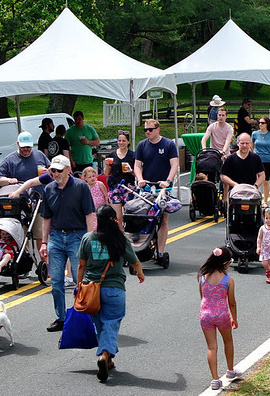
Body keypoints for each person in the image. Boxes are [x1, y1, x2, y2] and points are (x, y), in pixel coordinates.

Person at [77, 204, 145, 382]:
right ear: (114, 220)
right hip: (114, 288)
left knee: (100, 323)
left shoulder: (88, 238)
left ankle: (108, 358)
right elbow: (134, 261)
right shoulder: (120, 239)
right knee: (112, 323)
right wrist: (140, 274)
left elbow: (81, 265)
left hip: (91, 288)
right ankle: (105, 355)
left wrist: (79, 285)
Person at [39, 155, 96, 333]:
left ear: (68, 170)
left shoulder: (80, 187)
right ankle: (61, 318)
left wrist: (89, 239)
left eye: (59, 170)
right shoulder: (48, 189)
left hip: (77, 236)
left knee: (81, 280)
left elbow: (89, 214)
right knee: (56, 281)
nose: (55, 174)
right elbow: (46, 218)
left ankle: (83, 316)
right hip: (56, 237)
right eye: (52, 171)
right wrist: (44, 242)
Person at [0, 131, 50, 251]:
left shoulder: (40, 155)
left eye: (29, 147)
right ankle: (25, 261)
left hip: (39, 203)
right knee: (21, 237)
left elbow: (52, 171)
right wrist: (9, 180)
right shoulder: (10, 160)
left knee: (41, 237)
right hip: (20, 205)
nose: (26, 149)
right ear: (18, 144)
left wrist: (48, 171)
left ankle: (46, 266)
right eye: (23, 147)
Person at [134, 119, 179, 256]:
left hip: (162, 188)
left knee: (163, 219)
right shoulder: (142, 145)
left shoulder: (168, 144)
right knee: (143, 215)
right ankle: (142, 244)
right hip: (147, 187)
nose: (148, 132)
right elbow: (137, 165)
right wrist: (140, 179)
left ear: (158, 129)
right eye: (145, 130)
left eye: (150, 129)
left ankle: (160, 251)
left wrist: (168, 181)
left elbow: (174, 165)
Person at [198, 247, 239, 391]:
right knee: (228, 341)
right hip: (222, 315)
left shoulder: (202, 276)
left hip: (206, 315)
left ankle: (215, 379)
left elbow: (202, 296)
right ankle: (230, 370)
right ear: (226, 263)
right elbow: (232, 302)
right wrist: (234, 318)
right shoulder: (228, 280)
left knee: (211, 347)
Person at [104, 130, 135, 229]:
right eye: (119, 141)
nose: (121, 143)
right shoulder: (112, 155)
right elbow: (107, 173)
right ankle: (119, 237)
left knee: (129, 216)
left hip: (128, 187)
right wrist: (108, 165)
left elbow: (138, 173)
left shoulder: (132, 155)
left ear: (128, 142)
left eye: (124, 141)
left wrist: (131, 171)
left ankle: (129, 235)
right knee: (117, 217)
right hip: (115, 187)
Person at [252, 116, 270, 207]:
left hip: (267, 160)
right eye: (259, 123)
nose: (260, 124)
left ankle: (265, 201)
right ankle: (258, 198)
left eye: (262, 123)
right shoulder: (255, 134)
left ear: (267, 124)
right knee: (257, 180)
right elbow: (251, 148)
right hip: (256, 159)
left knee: (266, 180)